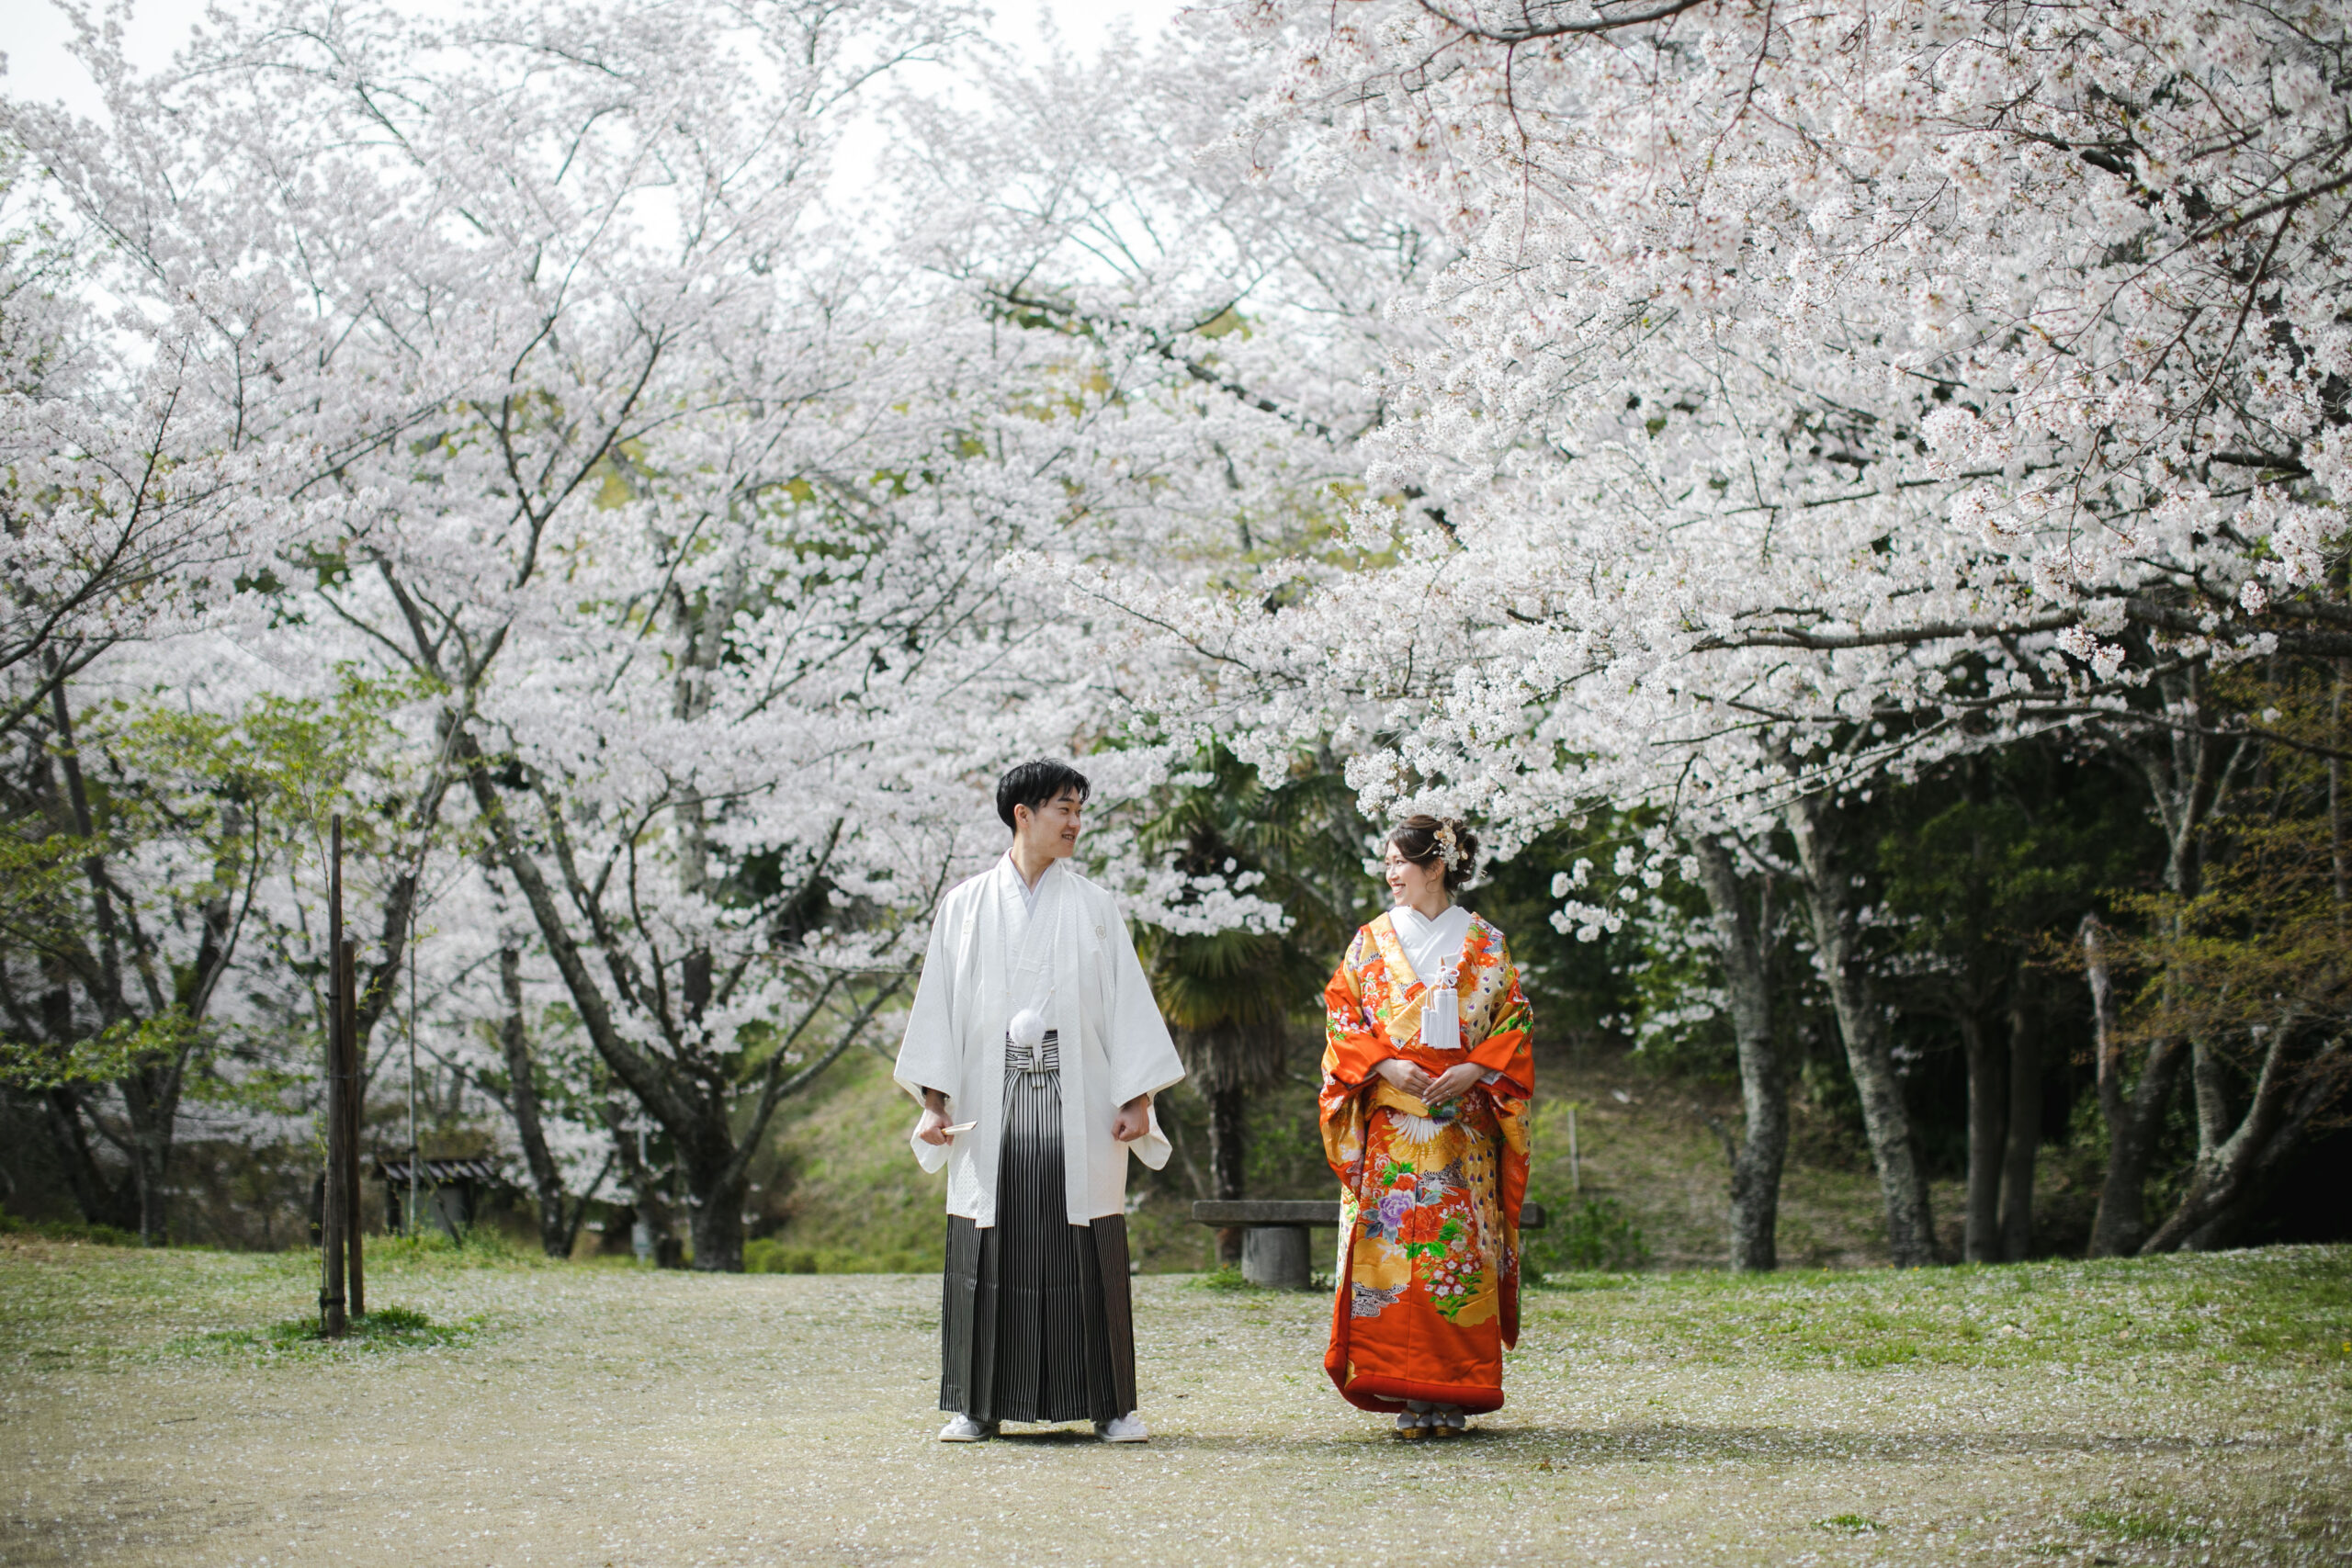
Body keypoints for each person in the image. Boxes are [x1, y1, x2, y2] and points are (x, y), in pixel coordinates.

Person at [894, 758, 1185, 1443]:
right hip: (986, 1104)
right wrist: (935, 1104)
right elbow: (939, 1011)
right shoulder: (964, 906)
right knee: (986, 1242)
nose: (1075, 820)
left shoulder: (1094, 906)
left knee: (1086, 1243)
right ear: (1022, 813)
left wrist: (1137, 1096)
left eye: (1079, 807)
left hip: (1076, 1098)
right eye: (1063, 807)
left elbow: (1126, 1010)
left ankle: (1111, 1404)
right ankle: (977, 1402)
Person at [1318, 815, 1534, 1438]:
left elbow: (1514, 1021)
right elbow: (1343, 1015)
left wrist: (1474, 1069)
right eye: (1386, 863)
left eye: (1399, 863)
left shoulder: (1485, 942)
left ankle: (1457, 1390)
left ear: (1436, 865)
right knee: (1390, 1261)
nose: (1390, 874)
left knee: (1455, 1262)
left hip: (1462, 1132)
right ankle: (1400, 1388)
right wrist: (1384, 1061)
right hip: (1391, 1127)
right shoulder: (1369, 942)